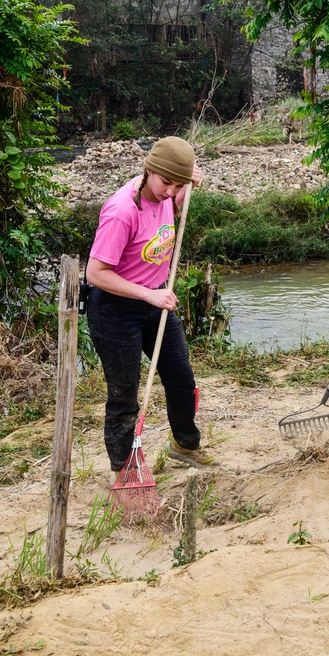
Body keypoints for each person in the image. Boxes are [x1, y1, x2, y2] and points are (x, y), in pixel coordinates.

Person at [85, 136, 216, 472]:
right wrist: (148, 294)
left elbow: (173, 204)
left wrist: (187, 188)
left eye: (178, 185)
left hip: (155, 300)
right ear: (148, 170)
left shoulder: (168, 194)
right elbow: (96, 273)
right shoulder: (122, 211)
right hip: (116, 308)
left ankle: (184, 445)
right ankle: (124, 469)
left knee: (181, 380)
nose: (169, 192)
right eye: (166, 183)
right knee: (124, 395)